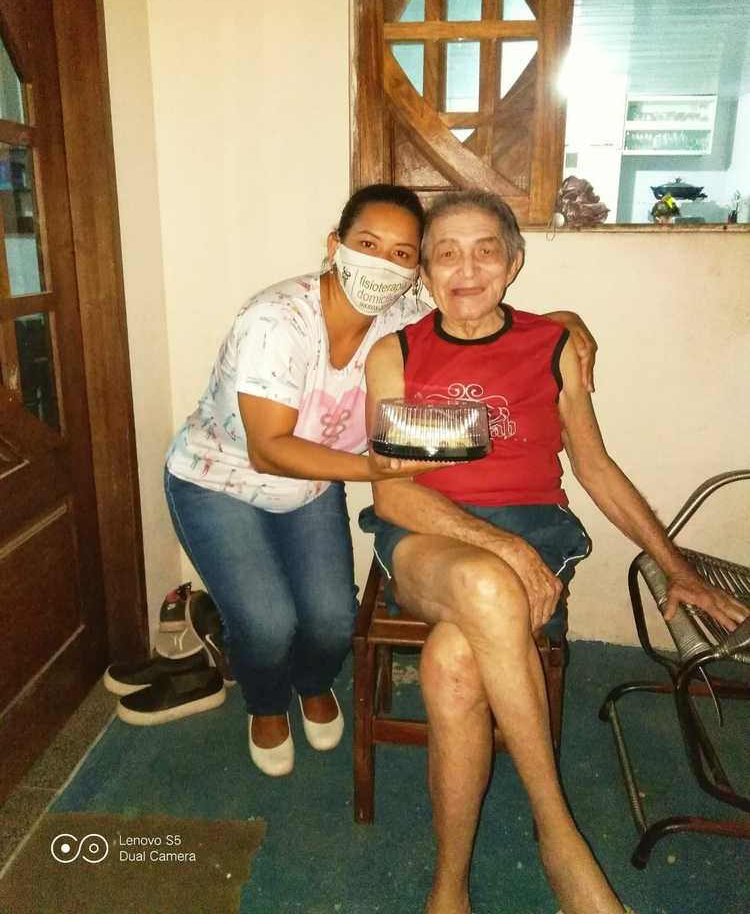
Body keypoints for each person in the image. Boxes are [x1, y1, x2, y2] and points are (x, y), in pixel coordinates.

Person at [362, 190, 749, 914]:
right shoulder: (397, 353)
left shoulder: (552, 345)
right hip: (428, 537)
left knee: (451, 663)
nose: (466, 270)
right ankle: (560, 838)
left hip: (535, 531)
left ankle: (448, 887)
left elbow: (594, 467)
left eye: (485, 252)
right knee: (487, 584)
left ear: (513, 263)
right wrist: (500, 547)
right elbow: (392, 494)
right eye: (446, 254)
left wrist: (676, 567)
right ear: (426, 273)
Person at [164, 183, 598, 778]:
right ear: (335, 246)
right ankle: (264, 703)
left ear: (415, 269)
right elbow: (268, 451)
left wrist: (566, 322)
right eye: (367, 244)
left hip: (312, 485)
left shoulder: (399, 318)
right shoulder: (277, 319)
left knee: (332, 620)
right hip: (221, 480)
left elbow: (479, 315)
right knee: (267, 622)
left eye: (401, 254)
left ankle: (313, 682)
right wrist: (375, 469)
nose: (381, 264)